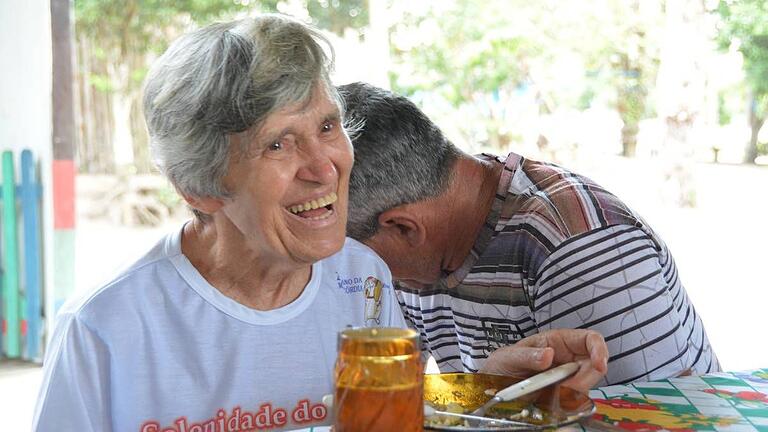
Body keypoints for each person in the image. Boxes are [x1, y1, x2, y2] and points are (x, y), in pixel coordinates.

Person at [33, 15, 608, 432]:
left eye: (328, 127)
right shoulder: (105, 328)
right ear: (201, 188)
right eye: (278, 143)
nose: (323, 166)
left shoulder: (362, 280)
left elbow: (390, 420)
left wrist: (497, 390)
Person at [340, 82, 719, 386]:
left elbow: (649, 421)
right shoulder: (420, 251)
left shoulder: (577, 248)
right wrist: (488, 390)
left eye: (346, 246)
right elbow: (397, 402)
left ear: (404, 227)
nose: (340, 262)